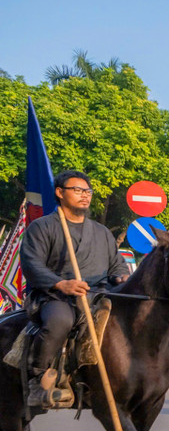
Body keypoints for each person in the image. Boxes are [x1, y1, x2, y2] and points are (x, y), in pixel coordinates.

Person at [19, 170, 129, 408]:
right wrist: (61, 283)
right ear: (60, 192)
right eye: (77, 190)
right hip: (55, 296)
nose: (85, 195)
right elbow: (31, 264)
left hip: (98, 295)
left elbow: (117, 264)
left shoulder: (101, 232)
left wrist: (122, 276)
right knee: (59, 321)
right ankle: (38, 377)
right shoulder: (41, 227)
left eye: (88, 191)